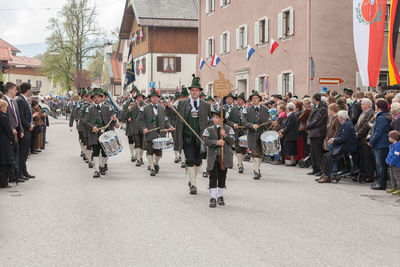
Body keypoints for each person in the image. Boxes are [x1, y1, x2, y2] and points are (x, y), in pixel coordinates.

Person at [174, 75, 212, 194]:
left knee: (198, 161)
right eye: (192, 90)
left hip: (200, 137)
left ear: (200, 92)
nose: (194, 92)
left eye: (197, 90)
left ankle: (192, 179)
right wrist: (169, 107)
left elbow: (213, 118)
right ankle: (193, 185)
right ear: (190, 91)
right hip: (187, 136)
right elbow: (170, 114)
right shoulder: (181, 103)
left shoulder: (206, 105)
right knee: (189, 159)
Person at [202, 108, 235, 208]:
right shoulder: (208, 129)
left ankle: (220, 196)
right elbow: (205, 141)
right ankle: (212, 197)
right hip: (213, 157)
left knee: (222, 176)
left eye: (218, 117)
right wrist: (216, 142)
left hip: (224, 157)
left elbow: (232, 141)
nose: (215, 119)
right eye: (214, 117)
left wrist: (225, 135)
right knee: (213, 176)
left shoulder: (229, 129)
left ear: (223, 119)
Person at [137, 90, 174, 176]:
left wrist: (169, 126)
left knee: (158, 153)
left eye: (156, 97)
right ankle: (152, 168)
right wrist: (144, 128)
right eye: (153, 97)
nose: (154, 98)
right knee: (150, 151)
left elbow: (165, 120)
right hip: (149, 134)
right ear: (150, 99)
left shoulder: (161, 108)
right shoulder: (144, 108)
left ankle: (156, 163)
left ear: (158, 98)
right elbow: (139, 120)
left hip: (160, 134)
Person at [86, 89, 119, 178]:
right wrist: (92, 127)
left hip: (107, 133)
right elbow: (85, 121)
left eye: (98, 97)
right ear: (92, 99)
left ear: (101, 98)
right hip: (95, 133)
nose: (96, 99)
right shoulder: (89, 109)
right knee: (96, 151)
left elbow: (113, 118)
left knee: (105, 152)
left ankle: (103, 165)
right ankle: (96, 170)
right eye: (94, 98)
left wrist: (116, 123)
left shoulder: (108, 107)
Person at [318, 111, 357, 183]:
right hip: (343, 145)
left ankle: (327, 176)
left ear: (341, 118)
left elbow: (344, 138)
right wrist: (334, 139)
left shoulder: (347, 125)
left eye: (339, 117)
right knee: (326, 155)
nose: (338, 118)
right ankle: (324, 174)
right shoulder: (345, 124)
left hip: (347, 146)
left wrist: (334, 140)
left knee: (330, 156)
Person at [243, 91, 270, 179]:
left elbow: (268, 121)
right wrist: (251, 125)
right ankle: (256, 171)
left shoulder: (265, 109)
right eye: (253, 98)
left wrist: (272, 123)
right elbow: (244, 122)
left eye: (256, 98)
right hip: (252, 134)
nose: (254, 100)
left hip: (263, 134)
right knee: (255, 153)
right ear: (251, 100)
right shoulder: (246, 109)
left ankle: (257, 168)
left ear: (259, 99)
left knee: (261, 154)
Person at [2, 82, 24, 182]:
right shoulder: (2, 101)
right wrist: (11, 129)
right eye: (15, 89)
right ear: (10, 90)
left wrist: (21, 129)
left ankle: (17, 174)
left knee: (16, 153)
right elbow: (4, 119)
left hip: (17, 132)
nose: (16, 91)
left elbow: (18, 117)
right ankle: (11, 176)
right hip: (8, 133)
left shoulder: (14, 102)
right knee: (9, 155)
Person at [368, 99, 392, 190]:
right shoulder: (383, 116)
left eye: (376, 105)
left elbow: (379, 132)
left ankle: (381, 183)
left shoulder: (382, 118)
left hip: (381, 144)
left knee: (381, 165)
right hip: (380, 143)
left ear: (378, 107)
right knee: (379, 164)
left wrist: (371, 141)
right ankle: (379, 181)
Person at [16, 83, 35, 181]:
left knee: (25, 153)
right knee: (22, 152)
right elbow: (21, 117)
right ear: (27, 90)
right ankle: (20, 173)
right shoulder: (20, 100)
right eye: (30, 89)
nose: (30, 91)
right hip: (25, 129)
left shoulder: (25, 100)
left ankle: (24, 171)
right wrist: (29, 125)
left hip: (28, 129)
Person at [306, 93, 328, 176]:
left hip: (318, 133)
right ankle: (314, 168)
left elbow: (317, 121)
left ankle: (320, 169)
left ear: (315, 99)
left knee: (318, 153)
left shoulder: (322, 108)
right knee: (313, 152)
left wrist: (308, 127)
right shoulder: (316, 107)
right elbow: (310, 118)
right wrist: (308, 126)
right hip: (313, 132)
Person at [122, 86, 145, 166]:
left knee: (141, 143)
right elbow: (124, 114)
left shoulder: (145, 105)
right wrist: (129, 112)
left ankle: (139, 157)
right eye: (133, 92)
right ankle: (134, 156)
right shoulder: (128, 103)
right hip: (132, 125)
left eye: (136, 92)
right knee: (132, 140)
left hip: (141, 126)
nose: (135, 94)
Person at [355, 98, 375, 183]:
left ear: (368, 105)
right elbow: (358, 124)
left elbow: (366, 126)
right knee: (362, 159)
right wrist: (355, 131)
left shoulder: (371, 113)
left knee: (367, 159)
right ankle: (363, 174)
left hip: (364, 138)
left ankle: (369, 176)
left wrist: (358, 134)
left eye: (362, 104)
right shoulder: (362, 113)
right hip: (359, 139)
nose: (361, 106)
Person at [225, 92, 246, 173]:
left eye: (240, 100)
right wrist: (233, 124)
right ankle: (240, 165)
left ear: (243, 101)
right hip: (236, 131)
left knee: (244, 149)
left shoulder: (247, 109)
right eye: (237, 100)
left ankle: (240, 161)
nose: (238, 102)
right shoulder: (232, 109)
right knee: (238, 147)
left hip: (244, 131)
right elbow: (227, 120)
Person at [0, 100, 14, 188]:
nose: (7, 108)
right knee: (5, 162)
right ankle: (3, 183)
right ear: (2, 107)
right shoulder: (3, 117)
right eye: (6, 106)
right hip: (4, 141)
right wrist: (13, 140)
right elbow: (8, 130)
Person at [386, 130, 400, 196]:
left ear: (393, 138)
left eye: (389, 137)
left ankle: (398, 189)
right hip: (391, 164)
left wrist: (392, 162)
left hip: (396, 164)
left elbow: (396, 156)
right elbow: (390, 154)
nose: (388, 138)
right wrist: (387, 160)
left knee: (397, 176)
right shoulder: (391, 145)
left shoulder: (397, 146)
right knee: (392, 176)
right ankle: (393, 187)